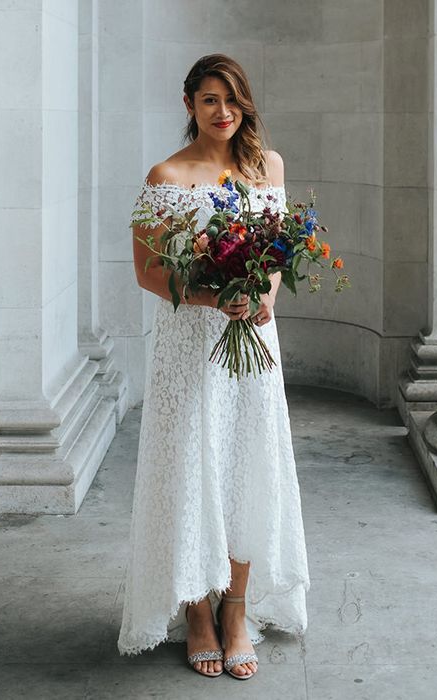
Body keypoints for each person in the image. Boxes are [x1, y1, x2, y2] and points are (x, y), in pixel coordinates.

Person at [117, 53, 309, 681]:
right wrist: (211, 297)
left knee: (248, 466)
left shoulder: (266, 167)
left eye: (231, 99)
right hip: (187, 345)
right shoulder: (167, 174)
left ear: (244, 103)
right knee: (190, 468)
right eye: (208, 100)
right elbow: (149, 271)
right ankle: (196, 612)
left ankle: (236, 611)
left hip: (254, 342)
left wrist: (264, 297)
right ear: (189, 105)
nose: (222, 112)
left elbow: (277, 250)